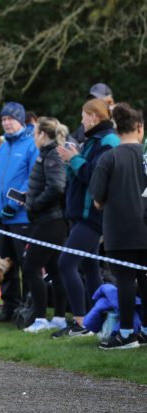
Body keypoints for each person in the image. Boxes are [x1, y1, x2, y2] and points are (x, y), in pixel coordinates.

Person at [53, 99, 119, 338]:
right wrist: (71, 161)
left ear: (93, 117)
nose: (81, 121)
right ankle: (94, 321)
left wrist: (75, 159)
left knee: (66, 263)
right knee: (91, 268)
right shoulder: (93, 141)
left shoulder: (108, 141)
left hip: (92, 216)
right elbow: (81, 175)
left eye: (83, 116)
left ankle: (81, 321)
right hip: (81, 214)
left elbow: (95, 176)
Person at [89, 103, 147, 349]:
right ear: (139, 127)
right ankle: (144, 330)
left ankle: (125, 334)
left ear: (116, 128)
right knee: (145, 279)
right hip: (145, 228)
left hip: (119, 230)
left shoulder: (109, 157)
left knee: (124, 280)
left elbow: (97, 199)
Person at [0, 102, 39, 322]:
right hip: (2, 218)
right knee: (5, 264)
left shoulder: (30, 145)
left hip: (21, 216)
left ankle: (30, 306)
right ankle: (10, 306)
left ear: (21, 120)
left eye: (11, 119)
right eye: (3, 119)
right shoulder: (4, 146)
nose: (7, 123)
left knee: (27, 265)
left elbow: (32, 178)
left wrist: (13, 205)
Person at [21, 118, 69, 333]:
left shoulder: (52, 155)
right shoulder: (46, 154)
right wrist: (29, 198)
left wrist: (34, 205)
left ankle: (41, 319)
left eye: (34, 134)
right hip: (50, 220)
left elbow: (56, 187)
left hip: (50, 221)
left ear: (42, 134)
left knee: (31, 268)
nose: (33, 138)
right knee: (54, 269)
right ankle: (58, 317)